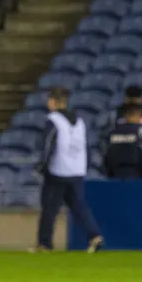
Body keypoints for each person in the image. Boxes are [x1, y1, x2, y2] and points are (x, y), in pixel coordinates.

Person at [35, 87, 103, 253]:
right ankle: (94, 235)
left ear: (53, 101)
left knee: (50, 208)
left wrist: (42, 166)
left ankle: (44, 244)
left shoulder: (53, 120)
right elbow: (85, 146)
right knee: (79, 206)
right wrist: (84, 166)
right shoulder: (79, 121)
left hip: (58, 170)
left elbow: (48, 144)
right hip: (77, 170)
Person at [99, 85, 142, 158]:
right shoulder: (116, 114)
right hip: (120, 155)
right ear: (126, 99)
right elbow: (104, 136)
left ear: (140, 99)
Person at [103, 103, 142, 179]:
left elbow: (106, 159)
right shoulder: (141, 132)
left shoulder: (112, 132)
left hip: (115, 177)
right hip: (136, 176)